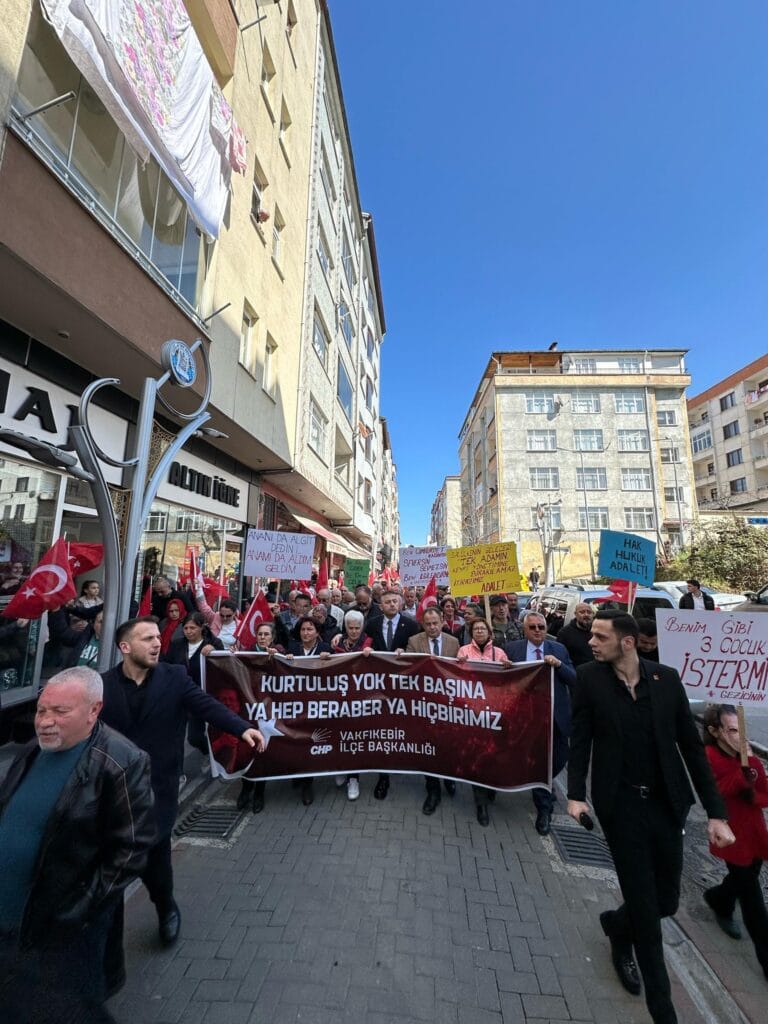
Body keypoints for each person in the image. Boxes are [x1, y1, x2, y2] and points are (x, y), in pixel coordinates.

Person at [567, 610, 733, 1024]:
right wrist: (574, 796)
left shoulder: (666, 680)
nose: (591, 642)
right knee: (647, 912)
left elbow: (692, 751)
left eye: (600, 636)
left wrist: (716, 812)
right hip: (620, 809)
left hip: (665, 805)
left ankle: (615, 925)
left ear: (627, 642)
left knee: (666, 901)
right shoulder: (589, 679)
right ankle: (664, 1011)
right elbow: (580, 741)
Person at [100, 617, 264, 948]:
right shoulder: (102, 686)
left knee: (155, 863)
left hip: (157, 791)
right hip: (113, 795)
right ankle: (106, 940)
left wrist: (240, 727)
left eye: (158, 637)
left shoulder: (174, 677)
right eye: (147, 638)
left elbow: (206, 706)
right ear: (125, 647)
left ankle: (165, 908)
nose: (157, 643)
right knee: (109, 870)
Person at [0, 668, 155, 1009]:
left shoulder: (122, 761)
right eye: (42, 710)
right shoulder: (30, 752)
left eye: (60, 712)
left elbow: (131, 849)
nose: (45, 721)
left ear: (94, 710)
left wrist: (80, 910)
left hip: (63, 930)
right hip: (10, 919)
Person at [701, 704, 768, 975]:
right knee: (753, 899)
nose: (739, 737)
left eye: (741, 730)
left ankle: (720, 900)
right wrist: (743, 776)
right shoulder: (708, 756)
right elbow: (716, 791)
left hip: (753, 831)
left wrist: (751, 770)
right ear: (714, 732)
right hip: (730, 835)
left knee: (749, 874)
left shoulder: (747, 754)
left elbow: (763, 790)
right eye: (731, 730)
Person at [505, 611, 576, 835]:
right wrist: (504, 668)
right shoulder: (513, 650)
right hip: (526, 718)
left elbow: (574, 679)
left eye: (541, 627)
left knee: (558, 759)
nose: (538, 631)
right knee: (537, 763)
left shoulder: (559, 650)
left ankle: (544, 783)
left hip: (555, 716)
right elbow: (502, 681)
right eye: (533, 627)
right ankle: (544, 808)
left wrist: (559, 666)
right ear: (525, 629)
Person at [365, 591, 422, 801]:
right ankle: (384, 776)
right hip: (378, 684)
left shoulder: (412, 625)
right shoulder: (371, 623)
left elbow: (417, 652)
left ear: (400, 604)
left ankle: (402, 757)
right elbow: (365, 645)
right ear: (380, 605)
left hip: (403, 685)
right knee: (382, 727)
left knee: (401, 725)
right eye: (387, 602)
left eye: (395, 601)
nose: (391, 604)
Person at [406, 606, 459, 815]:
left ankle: (449, 777)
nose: (432, 628)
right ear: (423, 624)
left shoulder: (453, 642)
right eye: (428, 624)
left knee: (448, 746)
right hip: (424, 706)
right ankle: (433, 790)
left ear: (442, 622)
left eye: (435, 623)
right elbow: (409, 667)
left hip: (448, 705)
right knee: (428, 748)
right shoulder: (414, 641)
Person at [458, 618, 511, 826]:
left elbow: (510, 680)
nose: (479, 631)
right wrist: (459, 665)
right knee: (478, 756)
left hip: (496, 712)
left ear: (490, 633)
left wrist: (508, 667)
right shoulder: (463, 651)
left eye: (483, 628)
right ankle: (480, 803)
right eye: (476, 629)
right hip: (473, 713)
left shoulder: (499, 653)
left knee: (494, 755)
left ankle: (491, 788)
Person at [163, 612, 225, 753]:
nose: (189, 632)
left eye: (192, 628)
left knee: (194, 737)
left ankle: (209, 752)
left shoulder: (214, 643)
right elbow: (166, 665)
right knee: (174, 736)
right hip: (178, 696)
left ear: (202, 627)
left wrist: (214, 652)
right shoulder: (177, 644)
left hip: (200, 695)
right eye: (186, 628)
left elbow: (224, 666)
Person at [194, 582, 240, 650]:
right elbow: (203, 607)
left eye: (228, 616)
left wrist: (237, 649)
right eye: (222, 615)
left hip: (230, 658)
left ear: (234, 614)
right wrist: (199, 588)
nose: (224, 618)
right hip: (212, 657)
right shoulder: (215, 617)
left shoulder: (240, 626)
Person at [556, 603, 595, 667]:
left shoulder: (597, 630)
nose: (586, 615)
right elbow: (560, 658)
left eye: (589, 612)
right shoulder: (564, 633)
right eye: (582, 612)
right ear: (575, 614)